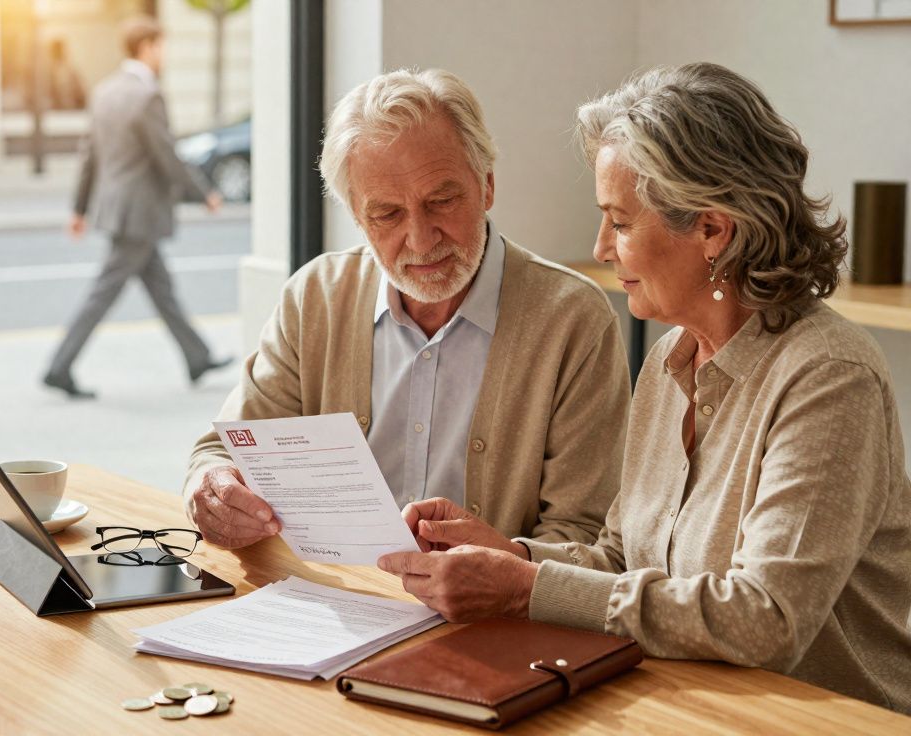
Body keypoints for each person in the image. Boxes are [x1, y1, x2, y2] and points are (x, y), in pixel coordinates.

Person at [378, 62, 911, 713]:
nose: (601, 247)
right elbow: (624, 557)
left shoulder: (828, 377)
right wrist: (510, 553)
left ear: (713, 231)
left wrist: (524, 589)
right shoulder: (668, 361)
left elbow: (765, 617)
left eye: (621, 223)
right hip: (688, 705)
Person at [185, 69, 631, 551]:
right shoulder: (315, 298)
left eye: (441, 201)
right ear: (356, 215)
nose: (421, 239)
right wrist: (213, 488)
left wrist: (505, 567)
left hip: (486, 617)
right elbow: (225, 450)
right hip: (331, 603)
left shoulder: (573, 318)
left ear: (486, 185)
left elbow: (585, 535)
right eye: (387, 214)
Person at [42, 15, 231, 400]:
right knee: (104, 293)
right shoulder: (147, 95)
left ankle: (197, 356)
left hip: (117, 209)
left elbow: (89, 156)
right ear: (146, 47)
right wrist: (204, 193)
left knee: (163, 290)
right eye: (161, 46)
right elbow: (166, 155)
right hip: (139, 213)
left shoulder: (106, 91)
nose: (164, 54)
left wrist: (78, 209)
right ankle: (58, 367)